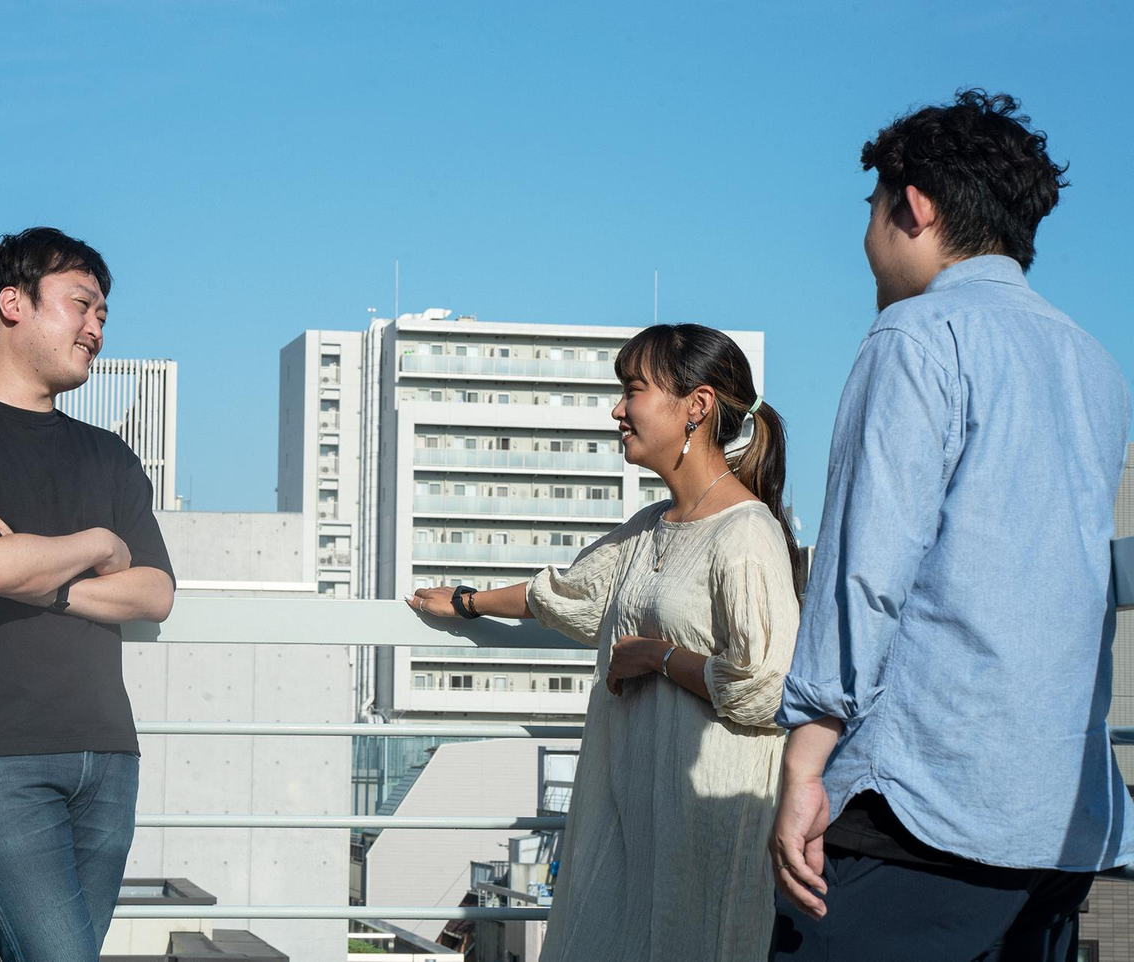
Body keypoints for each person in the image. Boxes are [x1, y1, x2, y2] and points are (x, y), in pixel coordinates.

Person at [768, 90, 1132, 961]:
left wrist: (805, 761)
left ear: (915, 205)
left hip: (924, 801)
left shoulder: (916, 335)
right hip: (1062, 812)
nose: (867, 238)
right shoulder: (1091, 359)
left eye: (872, 210)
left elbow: (865, 569)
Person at [409, 324, 802, 960]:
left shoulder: (746, 533)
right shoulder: (649, 527)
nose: (617, 410)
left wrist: (659, 657)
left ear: (697, 405)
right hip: (633, 810)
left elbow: (767, 685)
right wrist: (466, 601)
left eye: (633, 390)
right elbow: (565, 593)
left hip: (704, 822)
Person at [0, 227, 176, 962]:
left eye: (103, 314)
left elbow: (154, 593)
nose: (96, 328)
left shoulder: (108, 454)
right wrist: (99, 545)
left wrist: (44, 579)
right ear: (12, 303)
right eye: (81, 304)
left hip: (107, 756)